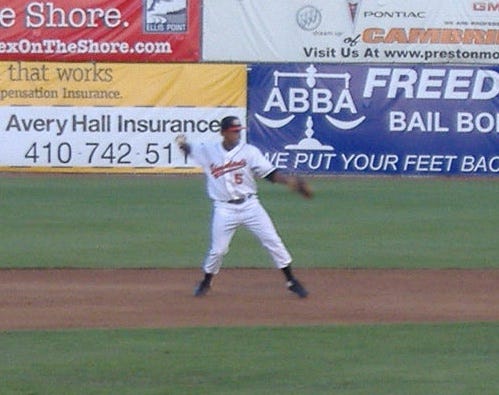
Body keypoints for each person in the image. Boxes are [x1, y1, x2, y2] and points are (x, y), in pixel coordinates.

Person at [175, 115, 313, 298]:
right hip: (224, 209)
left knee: (273, 241)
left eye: (238, 131)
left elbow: (270, 174)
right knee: (218, 250)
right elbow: (190, 149)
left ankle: (291, 281)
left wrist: (289, 182)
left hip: (250, 206)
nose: (237, 134)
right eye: (233, 132)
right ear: (223, 132)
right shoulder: (208, 151)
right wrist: (182, 143)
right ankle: (206, 282)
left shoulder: (249, 151)